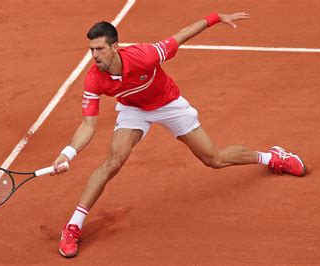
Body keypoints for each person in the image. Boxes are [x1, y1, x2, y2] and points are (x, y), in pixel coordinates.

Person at [51, 11, 306, 258]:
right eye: (91, 50)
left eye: (99, 49)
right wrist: (67, 154)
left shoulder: (145, 55)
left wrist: (215, 18)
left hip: (168, 104)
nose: (94, 56)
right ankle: (73, 226)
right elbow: (88, 125)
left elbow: (181, 36)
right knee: (113, 162)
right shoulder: (94, 79)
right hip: (134, 109)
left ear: (115, 47)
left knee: (213, 159)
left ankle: (271, 157)